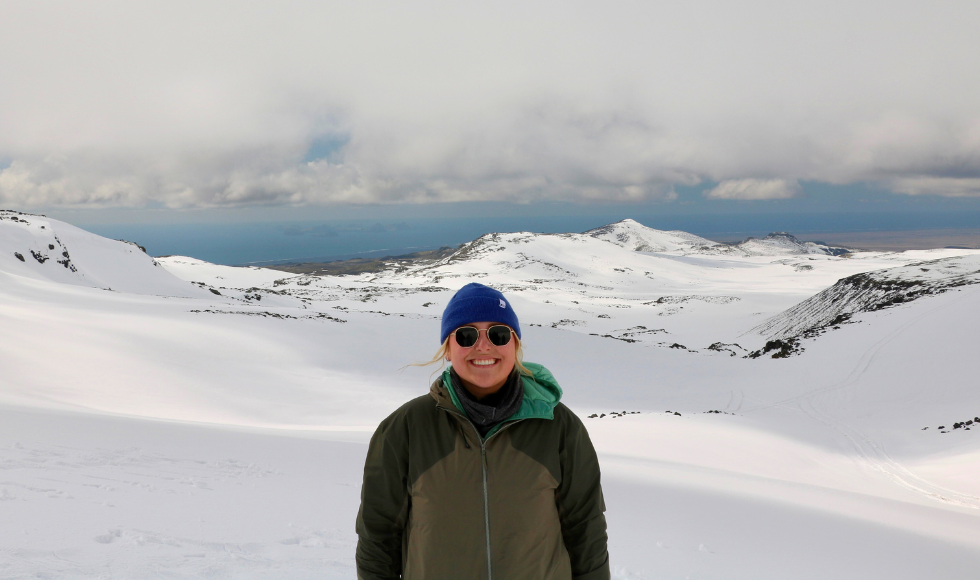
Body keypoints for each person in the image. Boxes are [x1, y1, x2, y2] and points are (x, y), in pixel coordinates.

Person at [355, 282, 610, 580]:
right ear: (448, 350)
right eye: (466, 335)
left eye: (498, 334)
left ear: (514, 345)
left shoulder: (559, 427)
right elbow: (378, 537)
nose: (484, 346)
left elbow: (586, 530)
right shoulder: (405, 429)